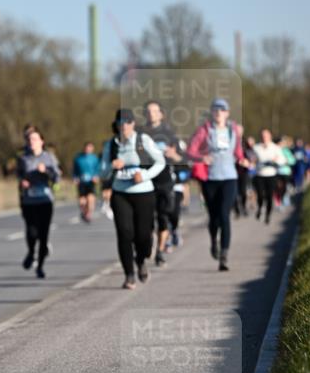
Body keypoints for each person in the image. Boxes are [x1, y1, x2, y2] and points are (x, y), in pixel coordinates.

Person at [100, 109, 165, 289]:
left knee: (143, 235)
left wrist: (144, 176)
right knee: (124, 233)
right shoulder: (110, 145)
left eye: (128, 122)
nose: (125, 126)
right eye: (121, 122)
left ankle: (142, 260)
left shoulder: (142, 140)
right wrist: (112, 167)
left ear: (133, 124)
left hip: (143, 192)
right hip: (120, 193)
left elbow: (161, 162)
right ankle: (129, 274)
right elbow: (102, 172)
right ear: (117, 124)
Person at [186, 99, 247, 271]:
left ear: (227, 113)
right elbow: (190, 151)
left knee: (224, 215)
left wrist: (243, 160)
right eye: (216, 109)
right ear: (212, 112)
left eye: (222, 109)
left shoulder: (233, 130)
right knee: (214, 217)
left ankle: (224, 255)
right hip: (210, 178)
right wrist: (201, 158)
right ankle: (214, 241)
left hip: (229, 177)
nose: (219, 112)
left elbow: (237, 152)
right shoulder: (204, 130)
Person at [17, 129, 61, 279]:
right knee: (31, 232)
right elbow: (19, 175)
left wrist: (46, 171)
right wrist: (22, 182)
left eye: (35, 139)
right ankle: (31, 252)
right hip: (29, 200)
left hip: (45, 200)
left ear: (42, 141)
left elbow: (56, 178)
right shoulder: (24, 159)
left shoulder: (49, 158)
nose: (32, 142)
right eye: (29, 140)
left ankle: (40, 266)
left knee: (43, 234)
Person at [142, 101, 180, 267]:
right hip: (146, 180)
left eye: (155, 111)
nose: (152, 114)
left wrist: (174, 155)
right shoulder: (140, 133)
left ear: (161, 114)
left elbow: (182, 158)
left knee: (164, 217)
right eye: (149, 111)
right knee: (148, 218)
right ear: (145, 114)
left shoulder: (170, 134)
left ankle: (160, 251)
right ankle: (150, 245)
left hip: (164, 180)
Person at [252, 129, 284, 223]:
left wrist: (275, 161)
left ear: (270, 136)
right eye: (262, 135)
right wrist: (253, 162)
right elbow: (252, 160)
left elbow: (282, 160)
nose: (264, 137)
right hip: (259, 175)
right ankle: (260, 208)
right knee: (260, 195)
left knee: (270, 196)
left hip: (271, 175)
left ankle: (268, 215)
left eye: (266, 135)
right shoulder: (256, 147)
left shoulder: (275, 148)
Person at [72, 141, 100, 222]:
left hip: (91, 182)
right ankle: (84, 212)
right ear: (84, 148)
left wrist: (96, 176)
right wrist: (75, 178)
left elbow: (98, 169)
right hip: (81, 182)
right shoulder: (78, 158)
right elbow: (74, 170)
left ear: (92, 149)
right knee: (82, 201)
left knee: (90, 199)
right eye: (87, 147)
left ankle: (88, 214)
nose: (88, 149)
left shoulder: (95, 158)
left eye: (90, 148)